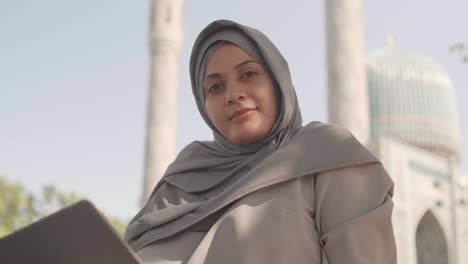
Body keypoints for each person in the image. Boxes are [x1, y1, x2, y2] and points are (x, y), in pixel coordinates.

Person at [124, 19, 397, 264]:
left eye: (248, 74)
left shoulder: (329, 157)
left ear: (278, 81)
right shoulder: (180, 181)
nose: (233, 94)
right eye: (215, 87)